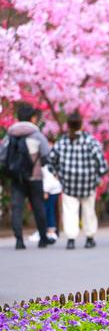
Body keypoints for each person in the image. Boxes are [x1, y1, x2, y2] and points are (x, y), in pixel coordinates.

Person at [50, 112, 108, 250]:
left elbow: (51, 160)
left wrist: (58, 174)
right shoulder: (90, 141)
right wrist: (98, 177)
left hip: (69, 182)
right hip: (88, 182)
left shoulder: (62, 142)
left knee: (70, 211)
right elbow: (102, 163)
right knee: (89, 211)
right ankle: (89, 238)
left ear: (68, 125)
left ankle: (71, 239)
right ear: (81, 125)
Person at [0, 104, 51, 249]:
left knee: (17, 208)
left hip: (16, 177)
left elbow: (2, 156)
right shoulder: (37, 135)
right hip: (35, 177)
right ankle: (43, 238)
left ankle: (19, 240)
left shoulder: (10, 135)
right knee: (38, 207)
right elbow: (47, 155)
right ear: (32, 118)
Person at [28, 160, 62, 244]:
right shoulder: (47, 162)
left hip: (51, 190)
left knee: (48, 211)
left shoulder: (45, 164)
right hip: (53, 189)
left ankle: (50, 232)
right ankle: (47, 231)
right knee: (48, 211)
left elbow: (49, 178)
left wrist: (45, 191)